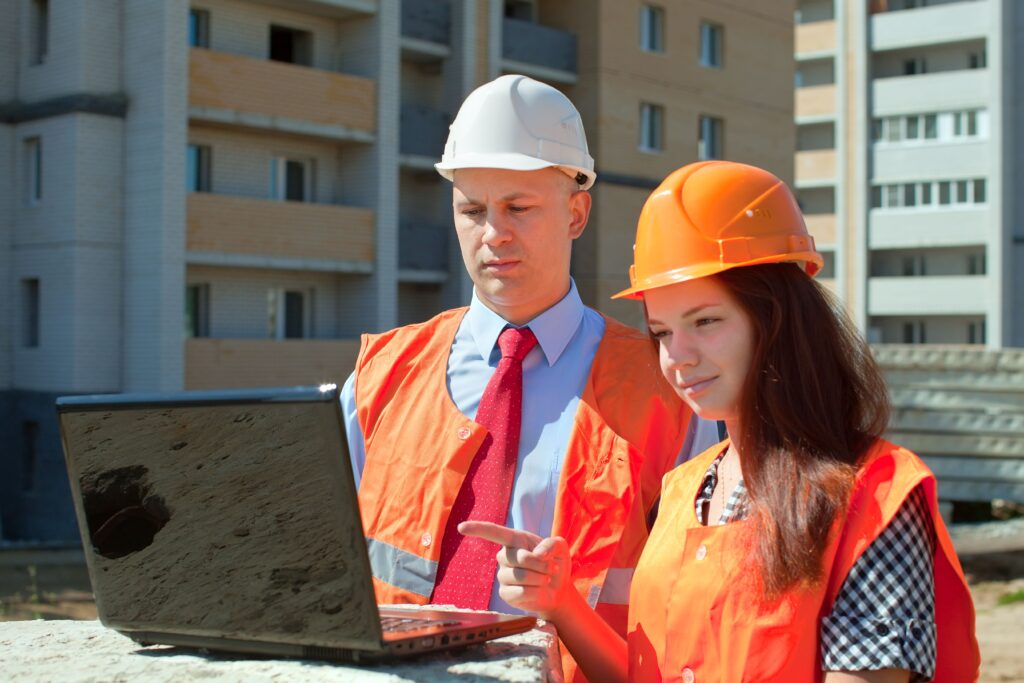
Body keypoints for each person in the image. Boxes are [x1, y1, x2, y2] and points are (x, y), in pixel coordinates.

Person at [463, 160, 980, 682]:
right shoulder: (685, 487)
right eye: (662, 332)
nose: (677, 356)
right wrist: (562, 603)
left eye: (705, 322)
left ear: (778, 321)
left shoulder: (880, 497)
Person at [340, 75, 717, 681]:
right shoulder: (381, 375)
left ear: (576, 212)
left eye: (518, 207)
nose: (494, 233)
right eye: (472, 209)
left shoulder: (670, 389)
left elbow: (702, 604)